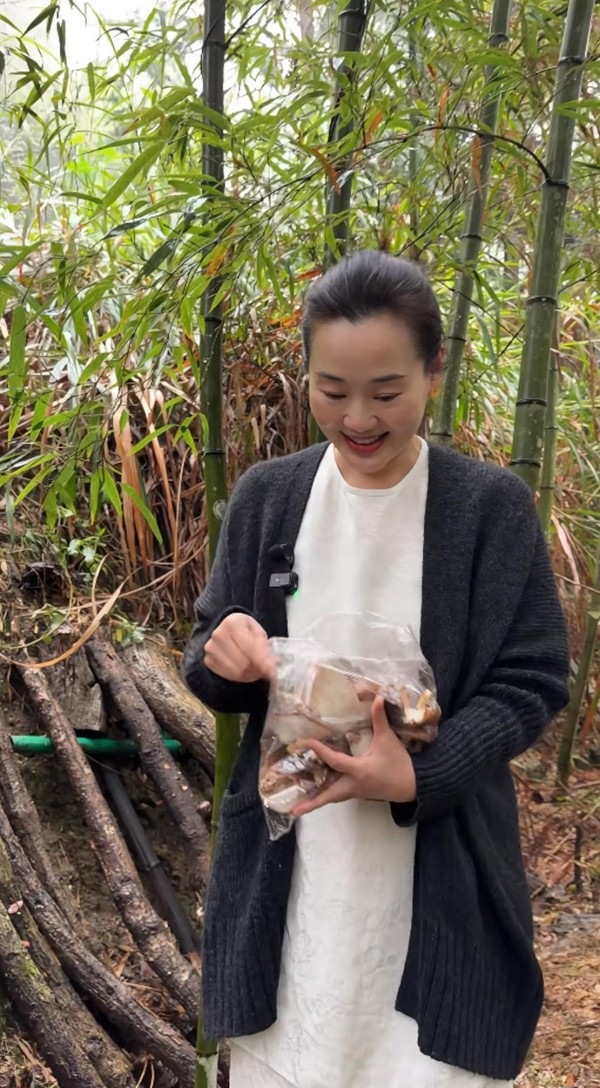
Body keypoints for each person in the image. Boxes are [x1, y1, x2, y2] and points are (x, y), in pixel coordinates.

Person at [182, 250, 570, 1088]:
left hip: (440, 881)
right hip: (294, 877)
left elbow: (534, 677)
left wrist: (420, 774)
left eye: (387, 392)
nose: (358, 418)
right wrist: (229, 653)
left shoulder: (487, 509)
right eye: (332, 390)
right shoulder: (268, 497)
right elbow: (210, 658)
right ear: (308, 375)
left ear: (434, 369)